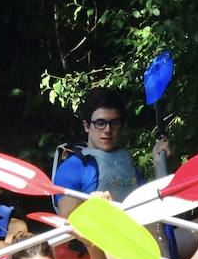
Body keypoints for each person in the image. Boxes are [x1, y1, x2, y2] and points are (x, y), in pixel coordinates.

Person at [52, 87, 167, 216]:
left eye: (115, 123)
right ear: (86, 126)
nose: (107, 130)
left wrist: (158, 166)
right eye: (100, 123)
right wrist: (91, 206)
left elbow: (151, 207)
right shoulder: (72, 168)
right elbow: (67, 221)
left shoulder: (125, 163)